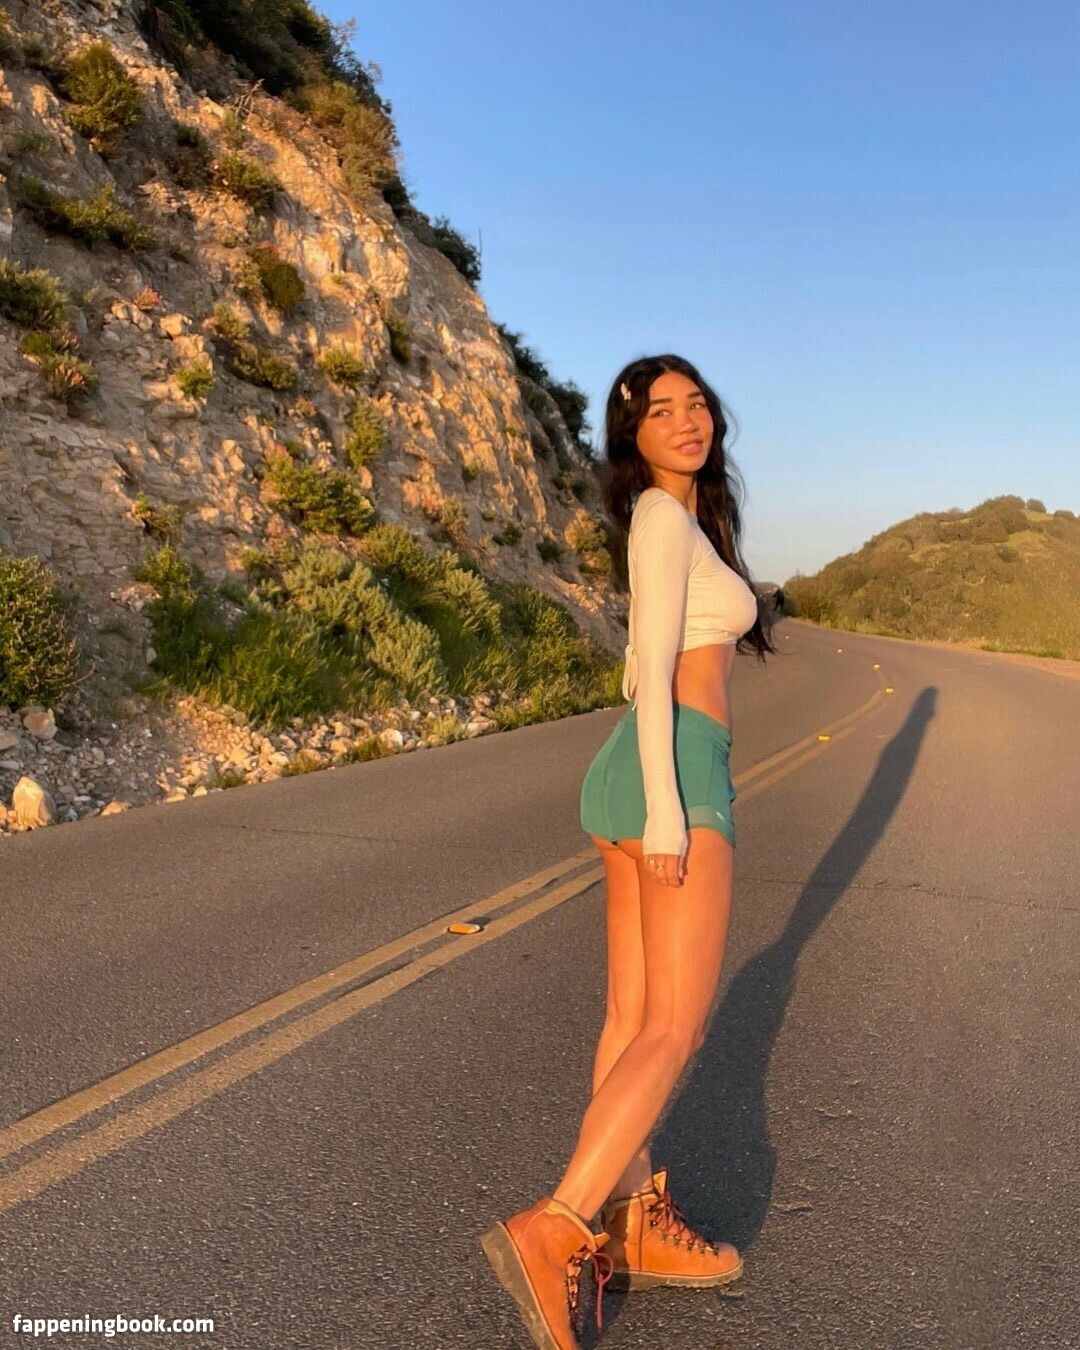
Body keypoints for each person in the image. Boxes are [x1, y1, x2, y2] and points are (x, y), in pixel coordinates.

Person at [480, 354, 778, 1348]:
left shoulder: (677, 524)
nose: (687, 421)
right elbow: (653, 662)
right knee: (676, 1029)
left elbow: (637, 658)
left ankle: (634, 1218)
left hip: (635, 765)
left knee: (630, 1016)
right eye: (661, 412)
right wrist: (669, 815)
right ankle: (557, 1224)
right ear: (632, 437)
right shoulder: (659, 516)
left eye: (697, 404)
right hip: (675, 770)